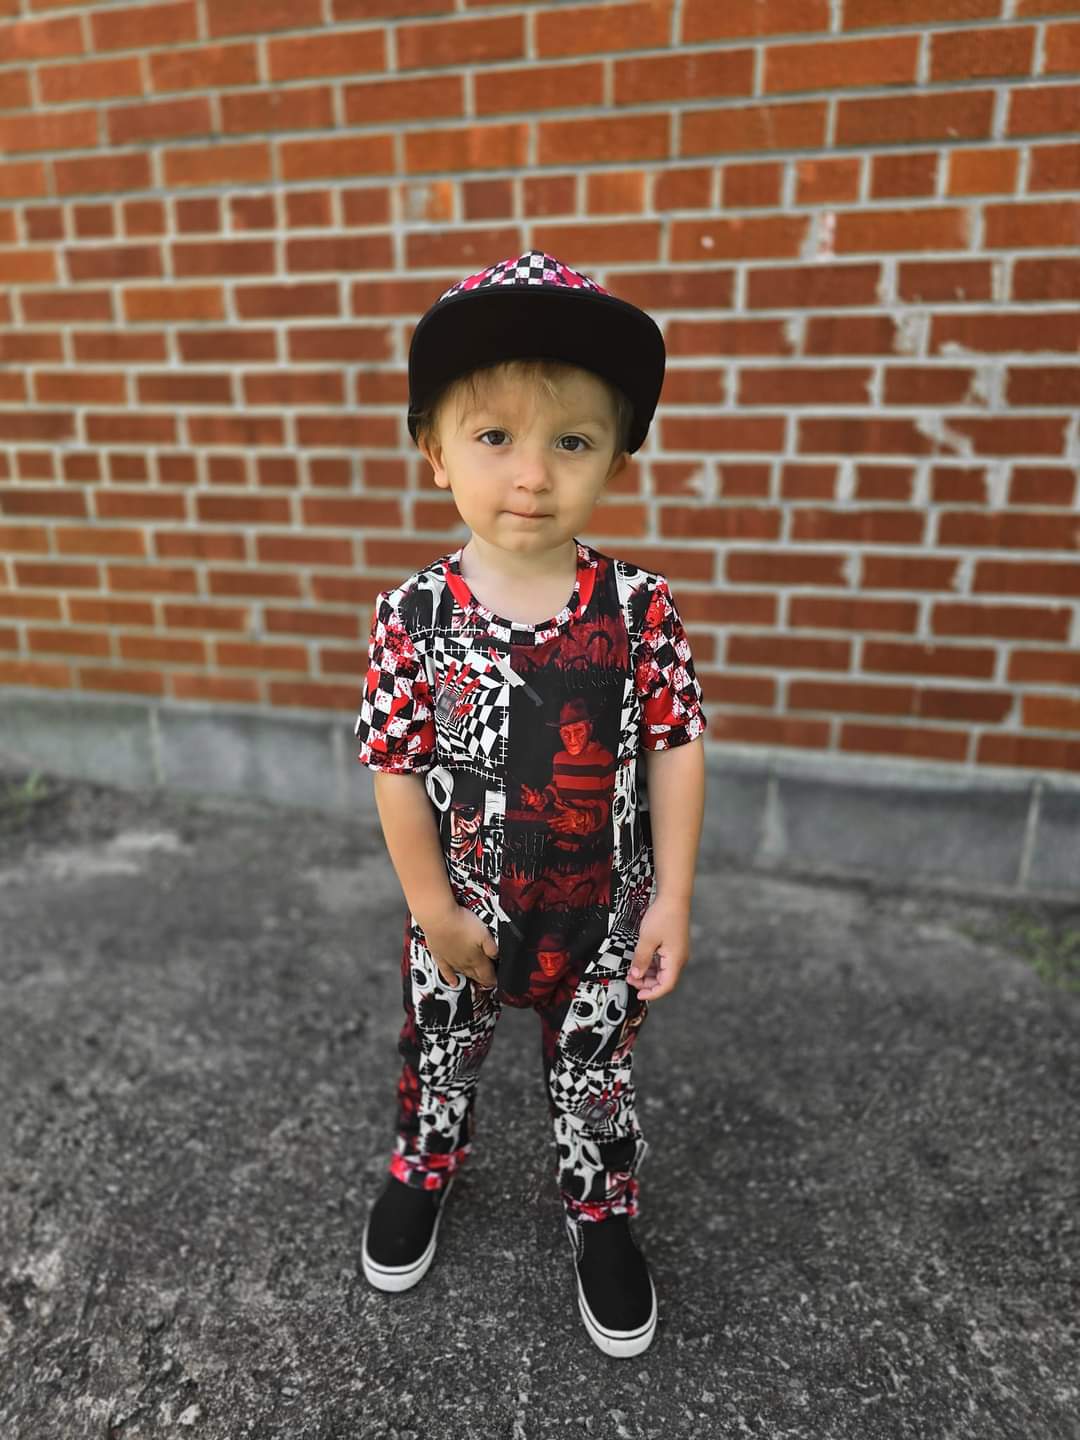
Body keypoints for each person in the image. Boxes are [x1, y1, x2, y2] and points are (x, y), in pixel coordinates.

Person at [353, 251, 707, 1358]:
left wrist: (675, 901)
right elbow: (396, 768)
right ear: (434, 452)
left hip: (601, 915)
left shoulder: (638, 607)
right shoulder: (411, 614)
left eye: (572, 441)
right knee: (443, 1054)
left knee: (595, 1078)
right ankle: (425, 1169)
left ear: (615, 457)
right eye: (494, 437)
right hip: (457, 912)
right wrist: (432, 909)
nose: (533, 475)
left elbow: (675, 749)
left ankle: (602, 1217)